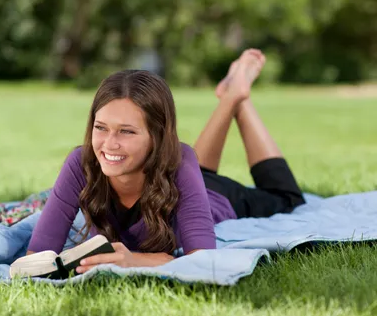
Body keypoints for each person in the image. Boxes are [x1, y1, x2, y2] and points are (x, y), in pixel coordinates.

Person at [27, 49, 305, 274]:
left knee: (287, 197)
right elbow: (36, 255)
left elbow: (204, 260)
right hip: (180, 176)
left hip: (216, 198)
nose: (109, 144)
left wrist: (134, 260)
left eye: (126, 131)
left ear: (157, 138)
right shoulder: (82, 161)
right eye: (101, 128)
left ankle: (237, 97)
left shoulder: (180, 160)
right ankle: (231, 95)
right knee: (193, 166)